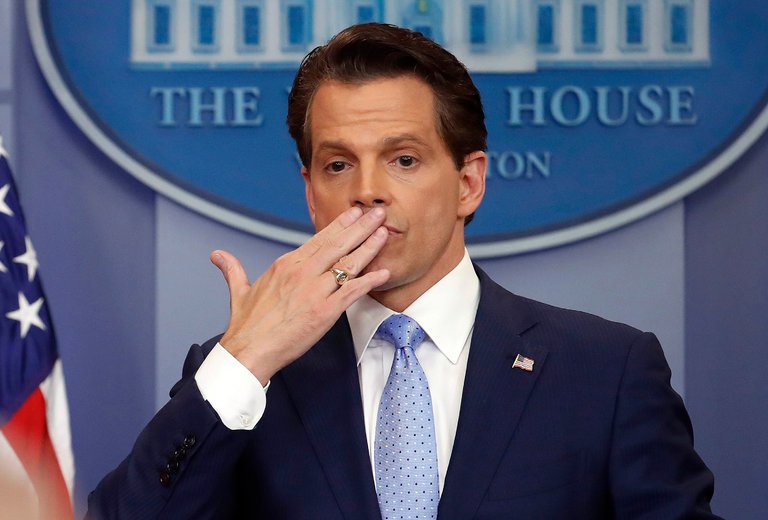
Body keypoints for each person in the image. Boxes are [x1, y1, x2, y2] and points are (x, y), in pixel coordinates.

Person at [87, 23, 719, 519]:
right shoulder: (242, 376)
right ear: (311, 195)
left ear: (468, 182)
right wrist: (247, 357)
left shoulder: (606, 371)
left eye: (404, 159)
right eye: (338, 165)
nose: (367, 190)